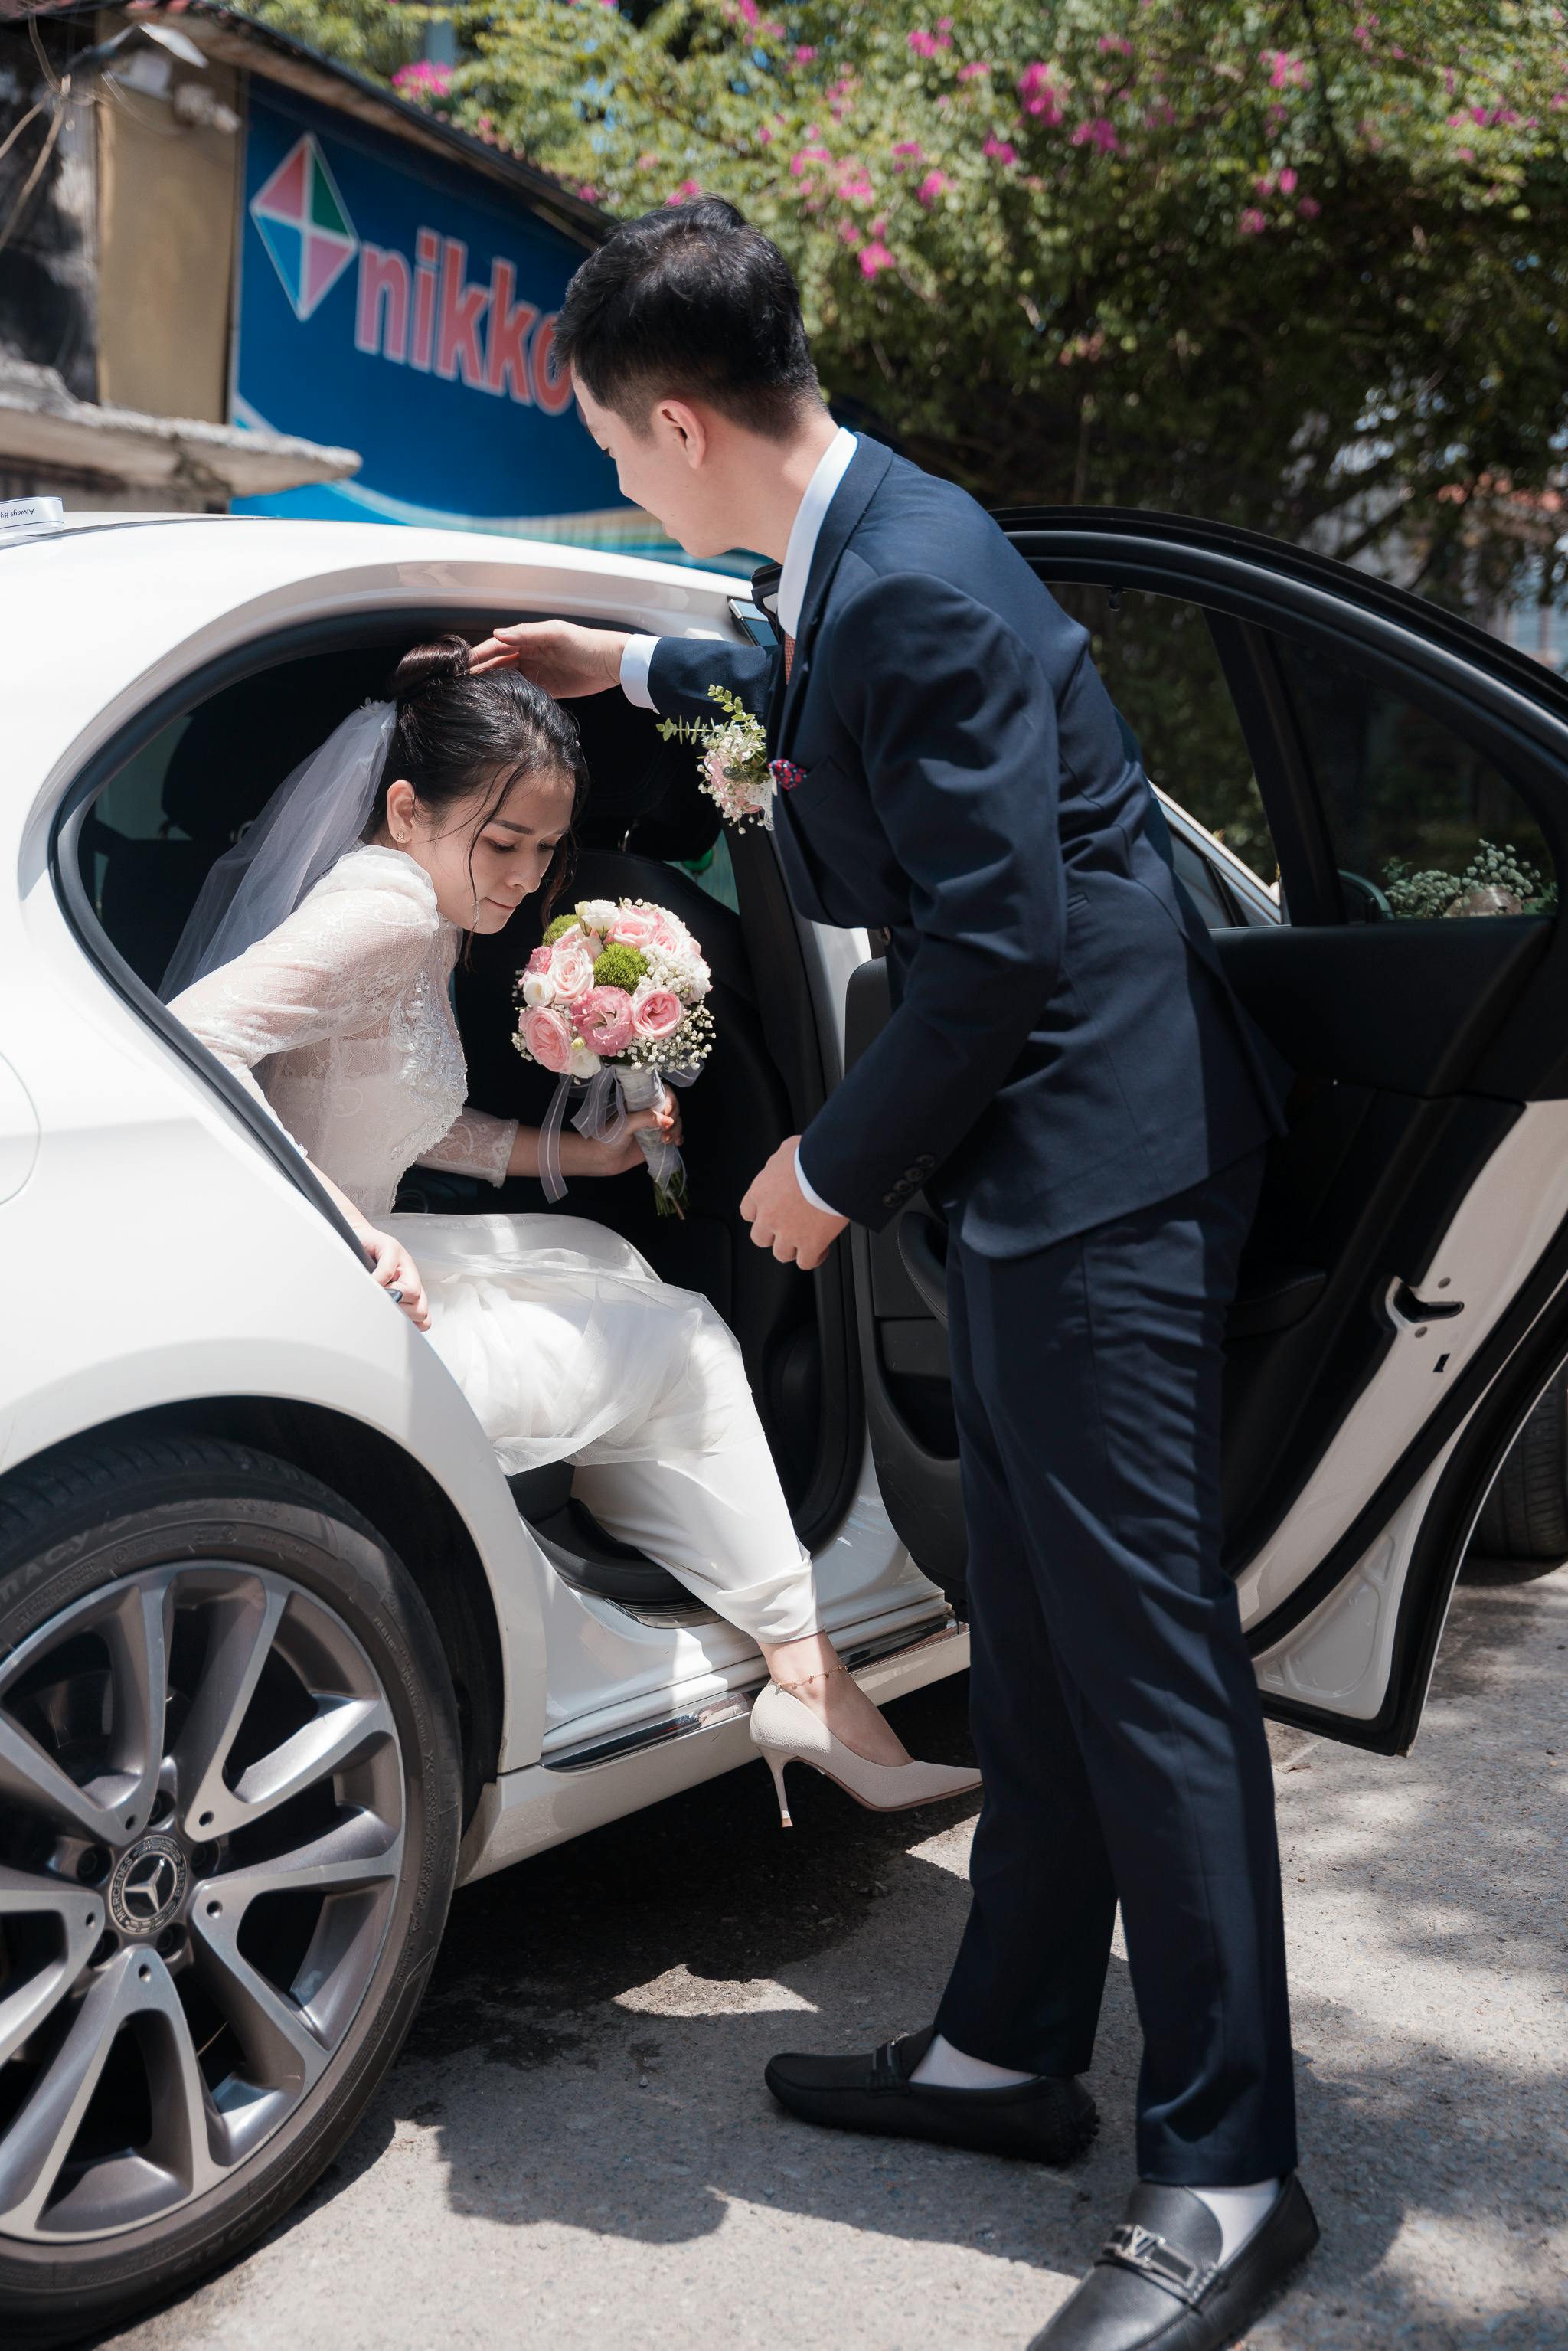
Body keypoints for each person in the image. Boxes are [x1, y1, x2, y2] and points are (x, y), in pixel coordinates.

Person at [471, 199, 1318, 2351]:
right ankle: (1010, 2053)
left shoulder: (916, 576)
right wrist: (632, 663)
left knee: (1145, 1666)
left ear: (676, 421)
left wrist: (826, 1174)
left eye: (614, 448)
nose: (625, 483)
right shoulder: (859, 542)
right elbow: (796, 675)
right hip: (1044, 1158)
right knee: (1031, 1642)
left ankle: (1232, 2168)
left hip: (1105, 1166)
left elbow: (1006, 945)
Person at [164, 636, 979, 1815]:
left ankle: (776, 1647)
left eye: (543, 850)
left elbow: (387, 1105)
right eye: (502, 843)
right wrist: (350, 1229)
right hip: (325, 1299)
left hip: (336, 1263)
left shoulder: (423, 903)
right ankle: (818, 1681)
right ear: (406, 806)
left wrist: (573, 1154)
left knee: (603, 1254)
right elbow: (192, 1047)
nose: (519, 876)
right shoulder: (387, 909)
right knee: (688, 1336)